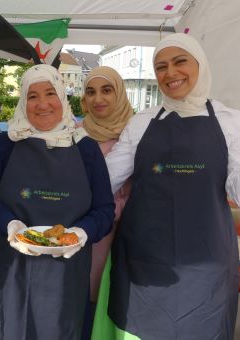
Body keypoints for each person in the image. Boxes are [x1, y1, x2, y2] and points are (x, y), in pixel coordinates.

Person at [105, 33, 240, 339]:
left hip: (206, 262)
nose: (170, 73)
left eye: (180, 62)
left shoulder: (231, 122)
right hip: (144, 258)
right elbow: (105, 179)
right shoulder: (141, 122)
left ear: (201, 65)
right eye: (161, 67)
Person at [0, 64, 115, 340]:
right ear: (23, 102)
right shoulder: (6, 143)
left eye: (50, 93)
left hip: (65, 275)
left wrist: (81, 232)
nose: (42, 104)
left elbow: (104, 211)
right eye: (32, 96)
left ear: (63, 97)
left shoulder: (85, 148)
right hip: (9, 270)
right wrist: (10, 225)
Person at [76, 66, 134, 339]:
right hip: (83, 236)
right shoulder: (73, 134)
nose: (98, 99)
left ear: (119, 93)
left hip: (124, 238)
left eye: (106, 90)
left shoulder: (137, 135)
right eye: (91, 92)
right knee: (82, 308)